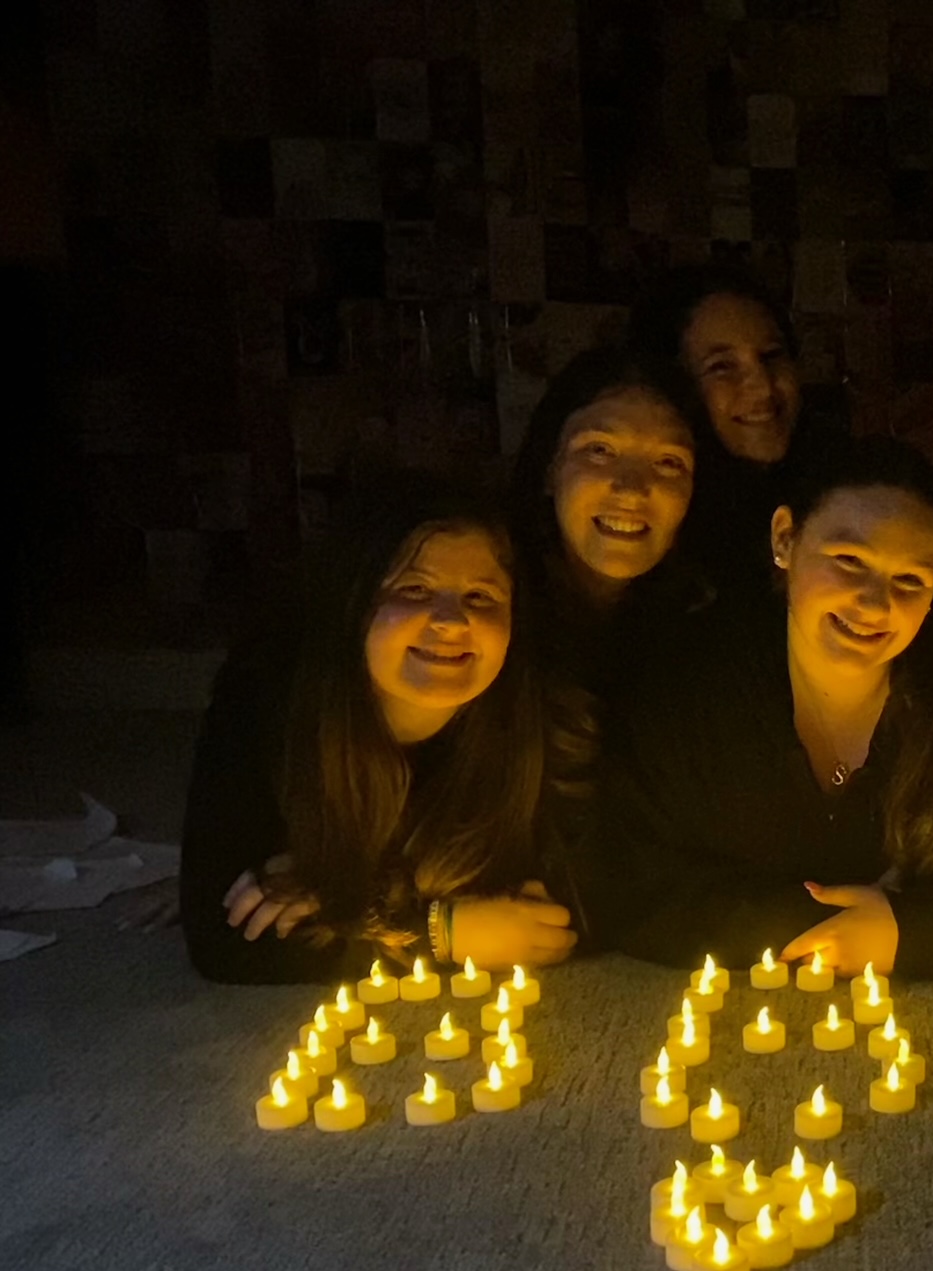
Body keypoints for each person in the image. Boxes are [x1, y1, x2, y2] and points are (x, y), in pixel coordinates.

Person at [592, 437, 933, 979]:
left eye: (910, 580)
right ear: (785, 539)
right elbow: (623, 880)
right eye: (849, 561)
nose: (876, 603)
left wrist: (915, 932)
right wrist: (811, 924)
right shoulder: (689, 686)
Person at [181, 476, 578, 983]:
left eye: (481, 597)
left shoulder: (539, 713)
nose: (451, 621)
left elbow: (559, 909)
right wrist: (439, 932)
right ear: (357, 602)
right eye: (415, 590)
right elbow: (224, 937)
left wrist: (345, 903)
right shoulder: (266, 705)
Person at [506, 343, 707, 691]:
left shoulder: (708, 638)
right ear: (550, 468)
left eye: (668, 462)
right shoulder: (491, 620)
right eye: (599, 451)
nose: (631, 488)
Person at [629, 262, 826, 596]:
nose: (762, 387)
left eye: (772, 355)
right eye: (721, 366)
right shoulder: (645, 533)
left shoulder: (838, 504)